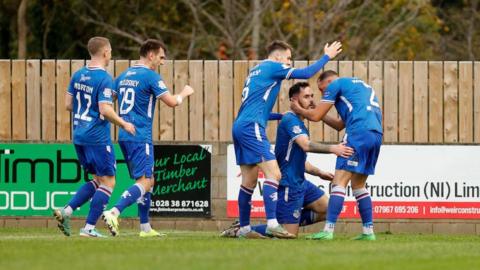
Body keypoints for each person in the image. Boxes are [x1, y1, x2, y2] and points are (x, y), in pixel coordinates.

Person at [232, 40, 342, 239]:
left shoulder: (256, 71)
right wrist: (327, 56)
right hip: (252, 128)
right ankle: (272, 224)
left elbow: (255, 108)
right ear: (277, 57)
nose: (290, 63)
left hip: (241, 125)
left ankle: (244, 229)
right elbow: (307, 73)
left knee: (249, 182)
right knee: (274, 174)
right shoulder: (272, 67)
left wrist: (278, 116)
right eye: (289, 58)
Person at [222, 82, 353, 238]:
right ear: (294, 100)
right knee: (289, 234)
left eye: (312, 96)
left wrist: (319, 173)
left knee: (328, 208)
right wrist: (334, 149)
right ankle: (241, 229)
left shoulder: (299, 122)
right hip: (288, 185)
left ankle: (291, 221)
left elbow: (298, 160)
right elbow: (305, 145)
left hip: (301, 182)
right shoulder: (290, 120)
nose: (311, 100)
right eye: (306, 97)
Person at [102, 39, 194, 237]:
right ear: (151, 54)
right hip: (140, 135)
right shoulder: (151, 77)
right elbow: (172, 102)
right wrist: (184, 93)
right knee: (145, 182)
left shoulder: (123, 75)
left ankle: (145, 228)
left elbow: (108, 103)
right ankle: (114, 212)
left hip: (124, 134)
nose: (163, 62)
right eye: (161, 57)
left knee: (147, 180)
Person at [53, 36, 135, 237]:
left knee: (98, 180)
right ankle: (89, 228)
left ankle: (67, 211)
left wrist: (87, 110)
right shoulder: (104, 78)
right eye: (111, 51)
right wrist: (124, 123)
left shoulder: (78, 75)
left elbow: (68, 105)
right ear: (105, 52)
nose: (111, 55)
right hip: (97, 137)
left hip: (79, 135)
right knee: (109, 182)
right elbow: (105, 109)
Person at [291, 70, 383, 240]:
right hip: (375, 134)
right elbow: (340, 124)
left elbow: (316, 116)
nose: (322, 93)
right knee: (359, 185)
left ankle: (328, 230)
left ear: (329, 81)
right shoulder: (359, 87)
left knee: (339, 182)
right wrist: (317, 112)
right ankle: (368, 232)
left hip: (358, 132)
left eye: (321, 89)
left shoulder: (335, 85)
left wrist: (298, 108)